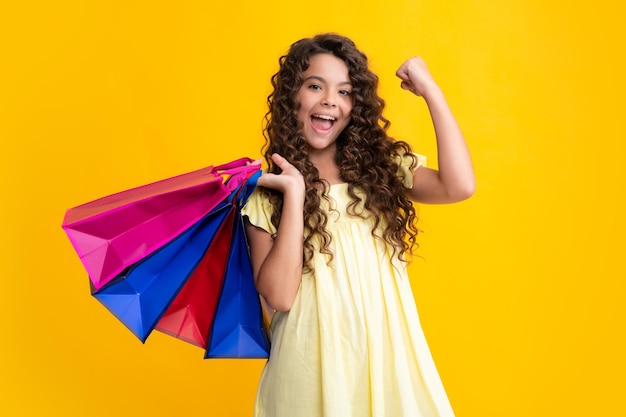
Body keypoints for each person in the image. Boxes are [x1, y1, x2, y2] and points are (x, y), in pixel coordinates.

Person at [242, 33, 475, 417]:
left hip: (386, 365)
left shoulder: (381, 171)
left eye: (345, 91)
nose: (331, 99)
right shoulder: (267, 195)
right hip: (308, 373)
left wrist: (431, 91)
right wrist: (296, 194)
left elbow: (459, 185)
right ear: (292, 99)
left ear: (355, 107)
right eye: (315, 85)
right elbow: (279, 297)